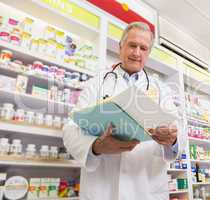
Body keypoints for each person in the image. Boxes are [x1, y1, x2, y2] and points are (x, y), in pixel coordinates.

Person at [63, 22, 183, 200]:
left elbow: (178, 130)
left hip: (145, 187)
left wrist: (172, 140)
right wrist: (96, 146)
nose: (137, 53)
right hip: (103, 188)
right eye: (132, 45)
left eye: (143, 48)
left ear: (148, 53)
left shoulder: (160, 89)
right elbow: (70, 129)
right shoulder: (97, 83)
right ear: (121, 47)